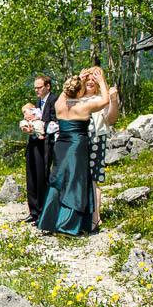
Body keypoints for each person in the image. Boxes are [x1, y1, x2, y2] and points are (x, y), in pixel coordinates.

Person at [37, 72, 110, 236]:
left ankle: (51, 220)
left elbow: (65, 93)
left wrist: (77, 77)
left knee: (58, 180)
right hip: (77, 147)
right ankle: (68, 224)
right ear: (79, 92)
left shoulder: (59, 104)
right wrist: (102, 81)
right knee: (75, 182)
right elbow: (105, 100)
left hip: (61, 145)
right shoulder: (84, 106)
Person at [76, 67, 120, 232]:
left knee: (93, 178)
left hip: (95, 140)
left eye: (93, 80)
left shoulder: (104, 98)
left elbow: (112, 118)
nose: (89, 82)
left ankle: (96, 218)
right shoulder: (77, 99)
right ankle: (80, 215)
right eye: (87, 80)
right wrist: (78, 80)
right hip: (78, 141)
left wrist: (108, 92)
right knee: (77, 179)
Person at [21, 76, 59, 224]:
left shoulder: (54, 100)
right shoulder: (38, 102)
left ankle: (44, 211)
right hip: (34, 140)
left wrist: (41, 122)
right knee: (31, 174)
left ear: (48, 86)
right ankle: (34, 211)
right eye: (35, 88)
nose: (37, 90)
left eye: (39, 87)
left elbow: (56, 122)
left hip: (46, 142)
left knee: (42, 175)